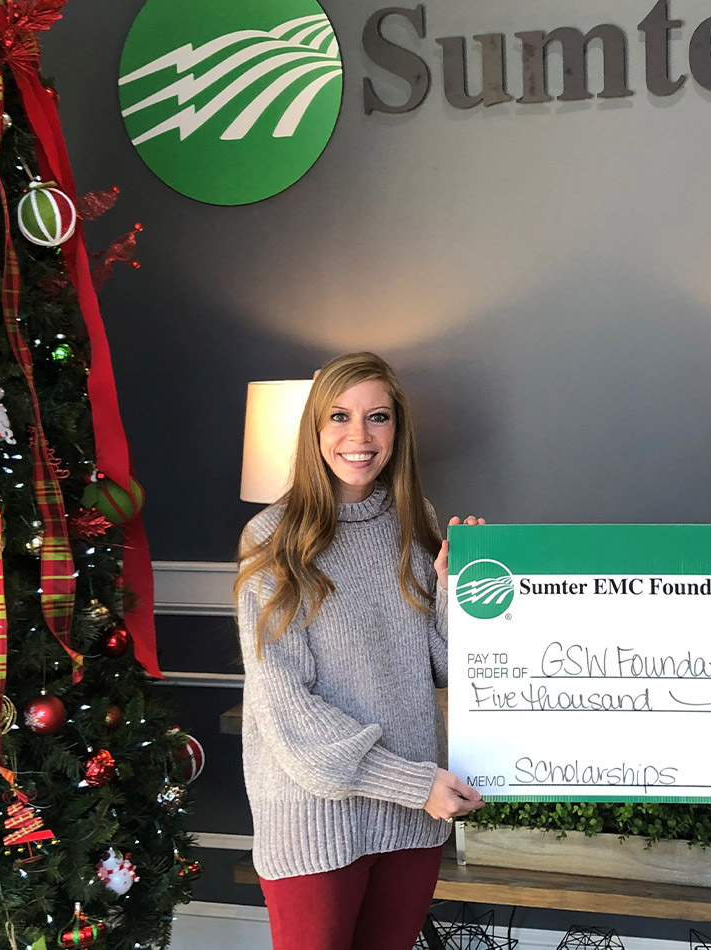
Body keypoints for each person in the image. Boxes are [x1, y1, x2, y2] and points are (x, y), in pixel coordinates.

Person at [235, 351, 486, 950]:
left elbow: (442, 665)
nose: (359, 436)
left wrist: (459, 586)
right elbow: (288, 712)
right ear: (314, 430)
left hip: (410, 817)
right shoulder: (271, 540)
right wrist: (412, 783)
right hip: (315, 818)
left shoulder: (414, 521)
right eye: (340, 417)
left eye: (378, 418)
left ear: (398, 431)